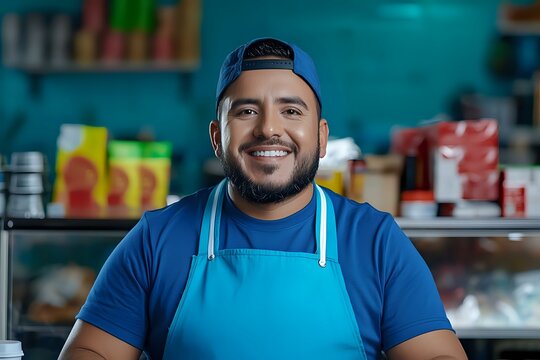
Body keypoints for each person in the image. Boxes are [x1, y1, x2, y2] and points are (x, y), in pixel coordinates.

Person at [59, 37, 467, 360]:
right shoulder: (157, 238)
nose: (269, 129)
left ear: (322, 137)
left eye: (291, 111)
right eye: (246, 111)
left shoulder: (374, 241)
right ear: (218, 138)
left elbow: (433, 353)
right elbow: (91, 349)